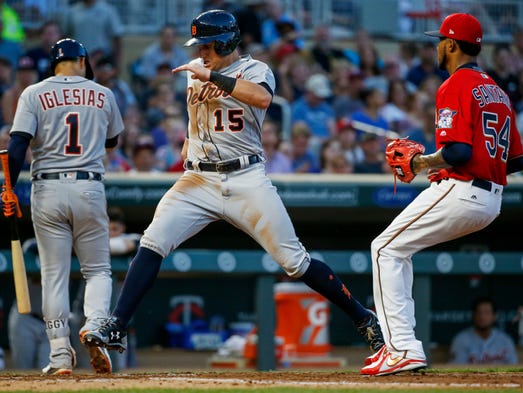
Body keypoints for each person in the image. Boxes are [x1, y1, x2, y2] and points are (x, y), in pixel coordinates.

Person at [82, 10, 384, 361]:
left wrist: (209, 74)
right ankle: (117, 324)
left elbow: (262, 99)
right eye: (199, 46)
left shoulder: (256, 70)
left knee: (294, 261)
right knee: (152, 242)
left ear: (225, 41)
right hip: (198, 178)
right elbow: (195, 127)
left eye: (206, 45)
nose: (201, 52)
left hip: (245, 178)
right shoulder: (195, 75)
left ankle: (364, 318)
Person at [361, 13, 523, 376]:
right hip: (490, 199)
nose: (437, 46)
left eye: (440, 41)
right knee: (396, 250)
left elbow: (457, 153)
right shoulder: (497, 90)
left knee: (384, 249)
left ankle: (402, 348)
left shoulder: (454, 85)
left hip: (464, 191)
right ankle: (398, 346)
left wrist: (420, 162)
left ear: (451, 45)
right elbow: (515, 160)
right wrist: (452, 166)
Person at [2, 38, 125, 375]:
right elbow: (113, 141)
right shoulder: (103, 94)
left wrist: (8, 189)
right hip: (88, 185)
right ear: (83, 61)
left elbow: (16, 147)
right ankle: (95, 327)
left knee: (54, 274)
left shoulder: (34, 93)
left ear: (52, 64)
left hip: (47, 187)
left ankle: (58, 354)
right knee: (97, 270)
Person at [449, 297, 518, 365]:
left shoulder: (505, 340)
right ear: (473, 315)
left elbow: (514, 369)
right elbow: (455, 371)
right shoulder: (461, 339)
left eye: (487, 313)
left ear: (494, 316)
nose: (482, 317)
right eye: (479, 312)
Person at [61, 0, 124, 70]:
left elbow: (117, 39)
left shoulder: (108, 10)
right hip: (77, 63)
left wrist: (117, 64)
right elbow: (64, 38)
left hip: (102, 64)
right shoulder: (72, 12)